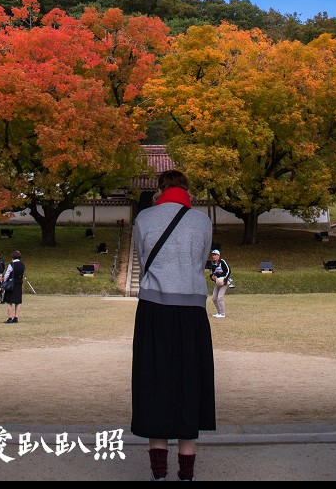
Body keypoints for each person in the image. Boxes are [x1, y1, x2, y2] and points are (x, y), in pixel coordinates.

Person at [131, 169, 215, 483]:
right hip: (192, 309)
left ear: (158, 190)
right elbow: (201, 260)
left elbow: (143, 258)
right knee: (189, 381)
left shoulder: (144, 219)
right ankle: (187, 470)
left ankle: (158, 472)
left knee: (155, 382)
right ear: (187, 190)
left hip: (154, 308)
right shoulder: (203, 221)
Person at [2, 250, 25, 323]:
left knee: (9, 301)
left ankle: (9, 318)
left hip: (11, 284)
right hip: (19, 283)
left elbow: (7, 274)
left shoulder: (11, 264)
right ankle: (16, 317)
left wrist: (4, 281)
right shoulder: (22, 265)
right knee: (17, 301)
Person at [209, 248, 231, 318]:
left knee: (220, 298)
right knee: (214, 298)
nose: (214, 256)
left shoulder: (222, 261)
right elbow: (212, 274)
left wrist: (225, 279)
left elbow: (228, 270)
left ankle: (222, 314)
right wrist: (212, 277)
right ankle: (219, 312)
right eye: (213, 255)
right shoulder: (213, 264)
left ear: (218, 255)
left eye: (215, 255)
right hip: (217, 283)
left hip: (224, 282)